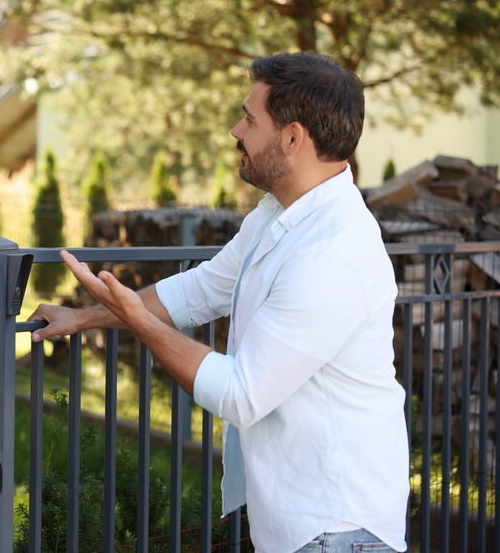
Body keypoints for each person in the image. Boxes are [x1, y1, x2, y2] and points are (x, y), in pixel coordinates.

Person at [29, 52, 408, 553]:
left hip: (337, 530)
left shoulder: (332, 254)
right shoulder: (278, 214)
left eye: (251, 120)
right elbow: (200, 290)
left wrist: (140, 323)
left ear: (293, 138)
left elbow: (240, 394)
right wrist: (87, 315)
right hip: (303, 524)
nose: (236, 130)